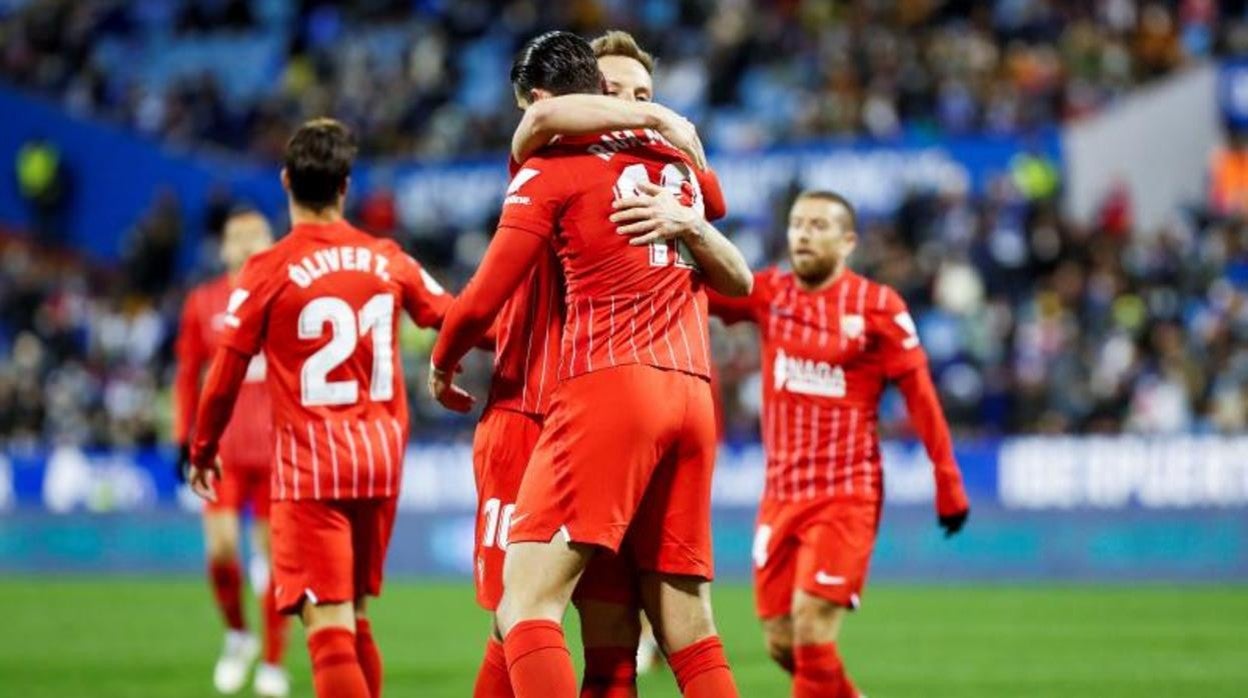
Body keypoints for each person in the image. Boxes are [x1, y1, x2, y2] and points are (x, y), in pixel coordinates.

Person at [430, 30, 750, 698]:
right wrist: (666, 128)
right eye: (611, 94)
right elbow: (718, 216)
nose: (627, 106)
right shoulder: (674, 176)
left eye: (643, 94)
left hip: (585, 399)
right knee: (660, 632)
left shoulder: (553, 169)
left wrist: (442, 357)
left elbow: (481, 296)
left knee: (521, 611)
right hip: (689, 396)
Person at [187, 118, 453, 698]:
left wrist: (203, 449)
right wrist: (454, 363)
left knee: (327, 626)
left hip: (313, 469)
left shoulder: (266, 270)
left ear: (285, 181)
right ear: (345, 187)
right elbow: (452, 317)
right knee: (355, 615)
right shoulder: (388, 258)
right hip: (380, 463)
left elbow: (223, 376)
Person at [704, 190, 971, 697]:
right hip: (781, 496)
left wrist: (948, 480)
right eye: (797, 224)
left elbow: (921, 396)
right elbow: (699, 290)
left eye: (818, 225)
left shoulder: (878, 308)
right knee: (782, 642)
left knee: (811, 632)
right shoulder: (771, 292)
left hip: (846, 491)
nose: (803, 234)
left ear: (847, 242)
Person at [174, 209, 290, 696]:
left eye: (255, 236)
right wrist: (185, 437)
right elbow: (186, 375)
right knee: (221, 549)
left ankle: (273, 661)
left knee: (271, 561)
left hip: (276, 448)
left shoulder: (285, 295)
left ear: (270, 241)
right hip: (223, 448)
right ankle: (238, 635)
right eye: (236, 238)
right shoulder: (203, 303)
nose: (245, 245)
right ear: (222, 249)